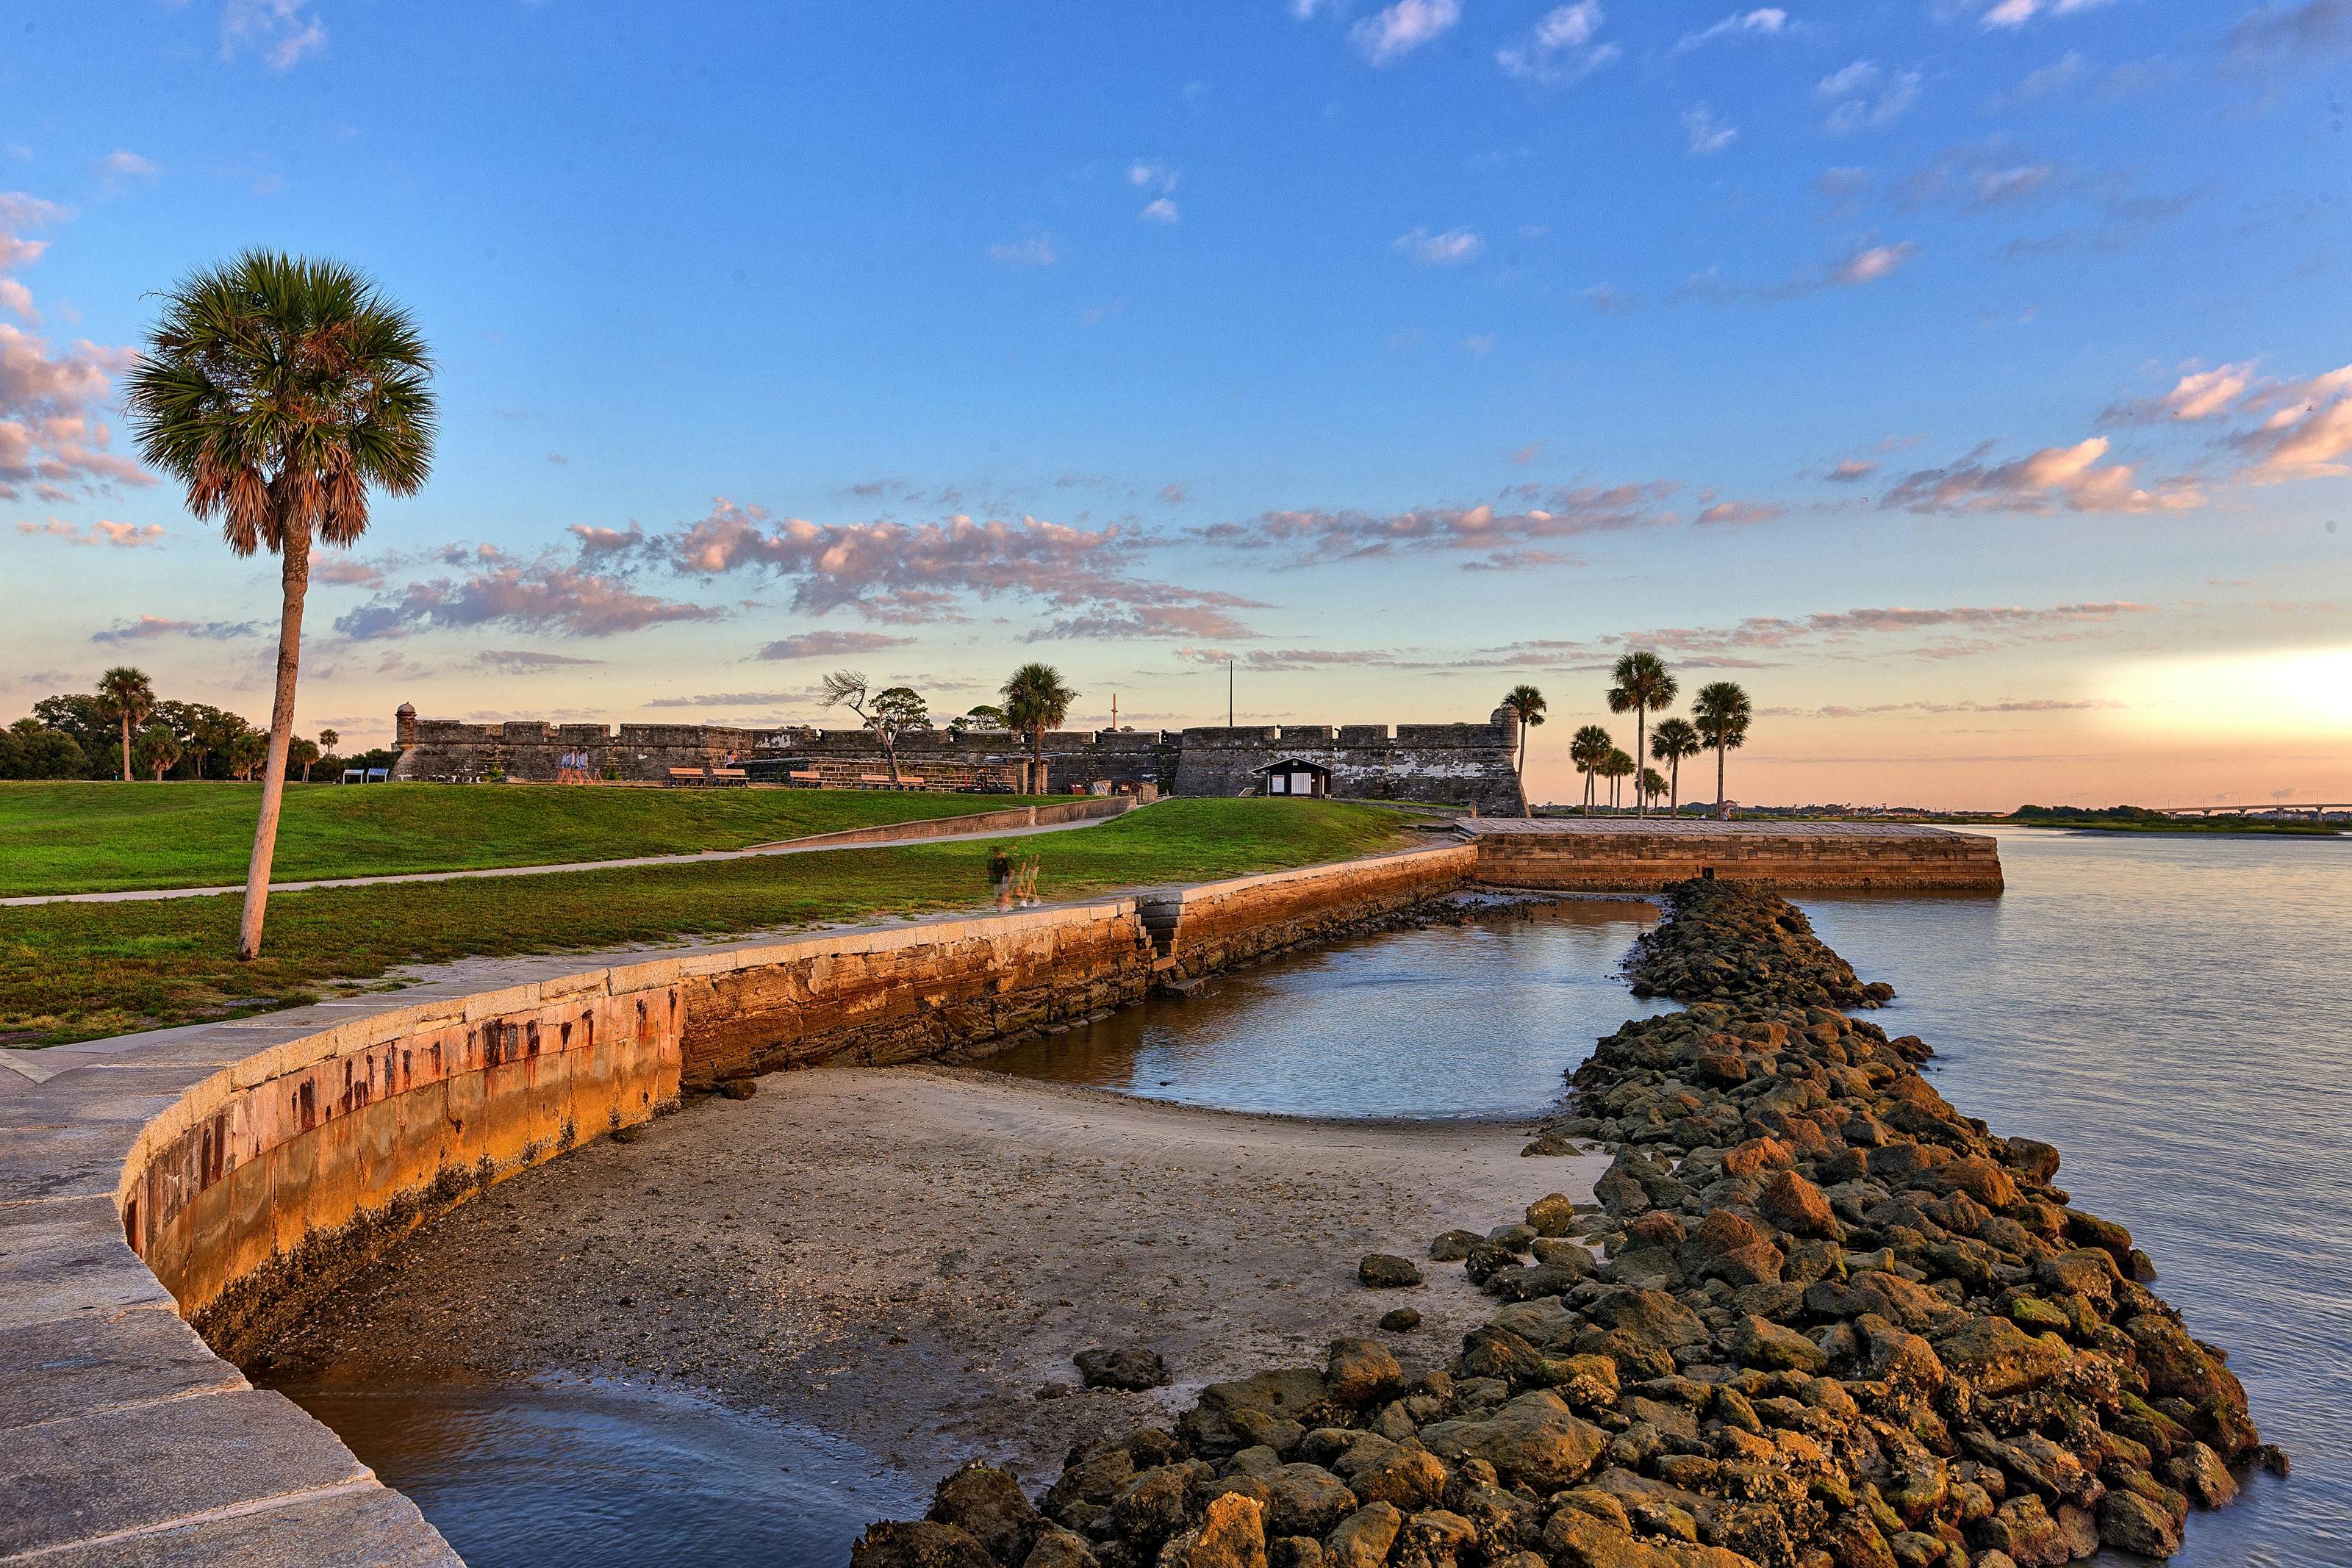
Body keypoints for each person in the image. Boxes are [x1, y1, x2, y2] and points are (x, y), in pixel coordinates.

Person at [989, 846, 1012, 910]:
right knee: (997, 895)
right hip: (997, 880)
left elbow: (1011, 871)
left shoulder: (1007, 860)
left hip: (1005, 879)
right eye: (996, 854)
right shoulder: (995, 861)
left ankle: (1007, 906)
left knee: (1005, 894)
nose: (996, 856)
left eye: (998, 854)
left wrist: (1008, 881)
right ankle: (1000, 908)